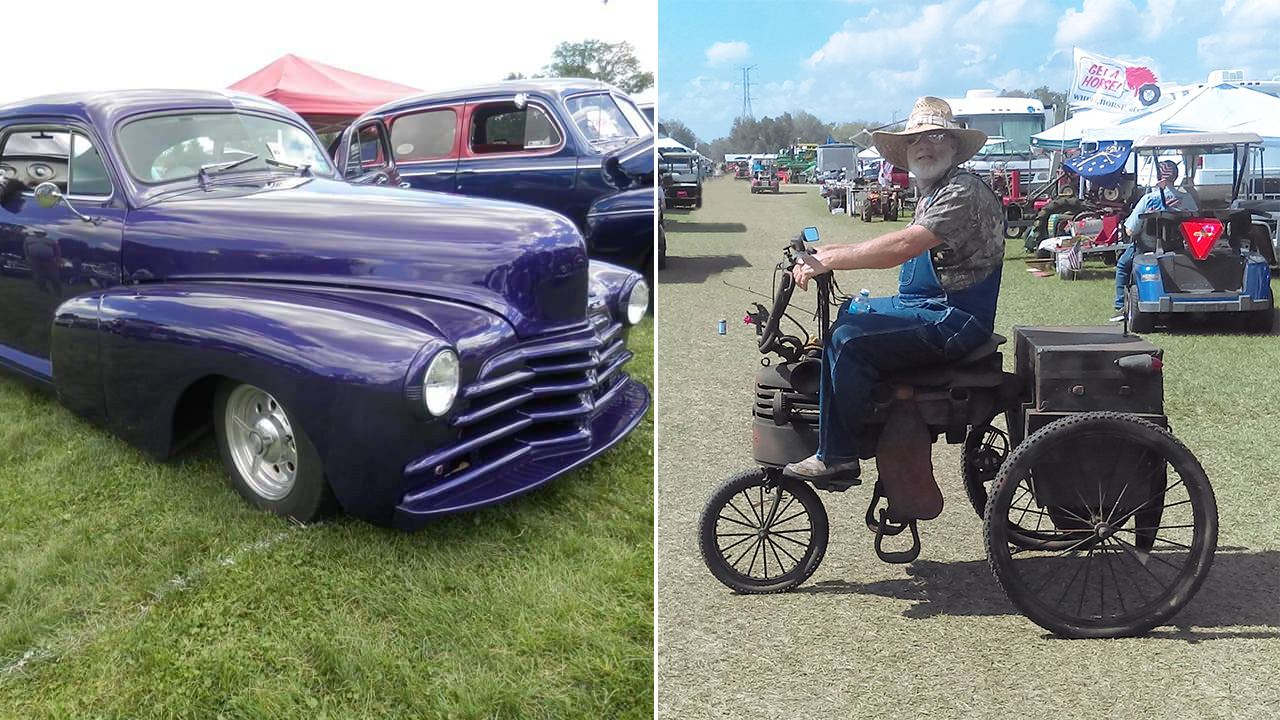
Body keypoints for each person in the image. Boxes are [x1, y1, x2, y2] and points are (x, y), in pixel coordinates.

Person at [783, 96, 1005, 519]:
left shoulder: (961, 192)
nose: (925, 145)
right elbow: (897, 242)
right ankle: (877, 422)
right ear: (905, 152)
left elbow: (903, 247)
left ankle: (838, 454)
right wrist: (826, 249)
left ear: (954, 147)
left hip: (954, 317)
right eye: (916, 140)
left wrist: (831, 259)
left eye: (936, 137)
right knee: (851, 314)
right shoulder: (935, 191)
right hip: (927, 305)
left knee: (847, 340)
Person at [1111, 159, 1197, 321]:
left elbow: (1130, 229)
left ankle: (1120, 305)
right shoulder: (1188, 199)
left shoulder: (1149, 199)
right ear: (1175, 177)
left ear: (1160, 177)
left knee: (1123, 265)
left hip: (1147, 247)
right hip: (1178, 246)